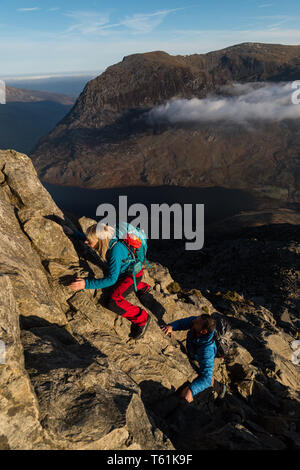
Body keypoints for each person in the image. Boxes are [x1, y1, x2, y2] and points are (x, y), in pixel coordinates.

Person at [63, 223, 152, 340]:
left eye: (89, 242)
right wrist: (74, 233)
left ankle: (142, 318)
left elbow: (111, 279)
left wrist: (86, 284)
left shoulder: (115, 251)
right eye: (87, 240)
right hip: (125, 272)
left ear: (100, 242)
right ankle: (141, 287)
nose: (86, 243)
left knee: (113, 301)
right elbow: (93, 238)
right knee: (114, 283)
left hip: (131, 275)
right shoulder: (107, 236)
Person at [161, 314, 226, 403]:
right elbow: (182, 323)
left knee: (202, 373)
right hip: (193, 351)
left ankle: (220, 388)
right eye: (197, 318)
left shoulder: (207, 350)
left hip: (198, 356)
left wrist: (191, 390)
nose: (194, 320)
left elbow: (207, 378)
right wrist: (171, 326)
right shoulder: (197, 321)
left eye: (197, 322)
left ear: (203, 331)